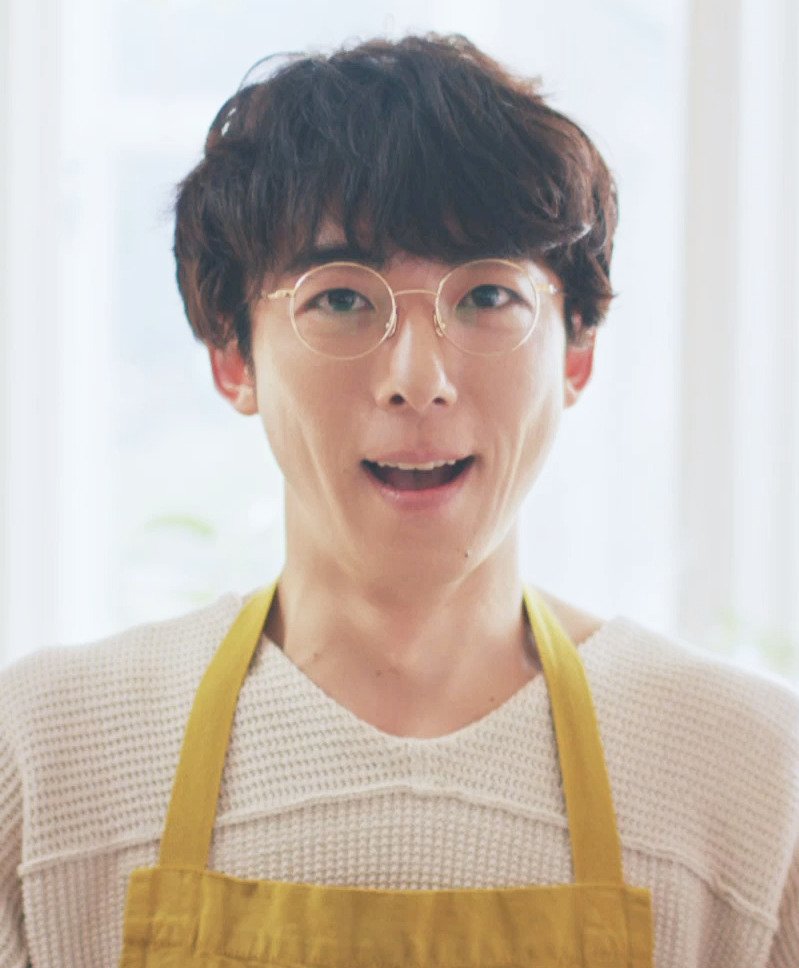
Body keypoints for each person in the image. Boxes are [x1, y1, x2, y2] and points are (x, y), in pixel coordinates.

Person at [0, 32, 797, 968]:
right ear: (232, 357)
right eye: (341, 299)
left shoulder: (749, 774)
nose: (418, 381)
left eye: (487, 296)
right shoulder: (47, 757)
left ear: (576, 353)